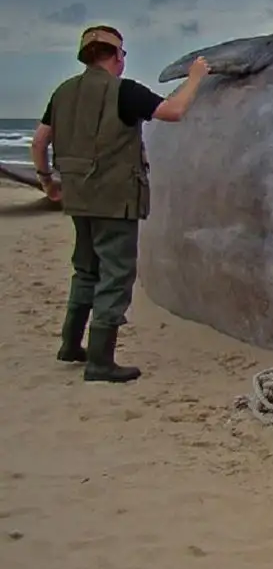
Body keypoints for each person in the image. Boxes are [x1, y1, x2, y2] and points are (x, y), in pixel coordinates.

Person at [30, 25, 210, 383]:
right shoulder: (123, 92)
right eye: (122, 54)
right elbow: (173, 111)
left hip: (78, 199)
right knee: (115, 276)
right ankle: (100, 361)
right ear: (115, 56)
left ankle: (70, 345)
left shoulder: (63, 92)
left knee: (85, 269)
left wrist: (47, 180)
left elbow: (39, 141)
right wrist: (195, 78)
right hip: (115, 201)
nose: (123, 60)